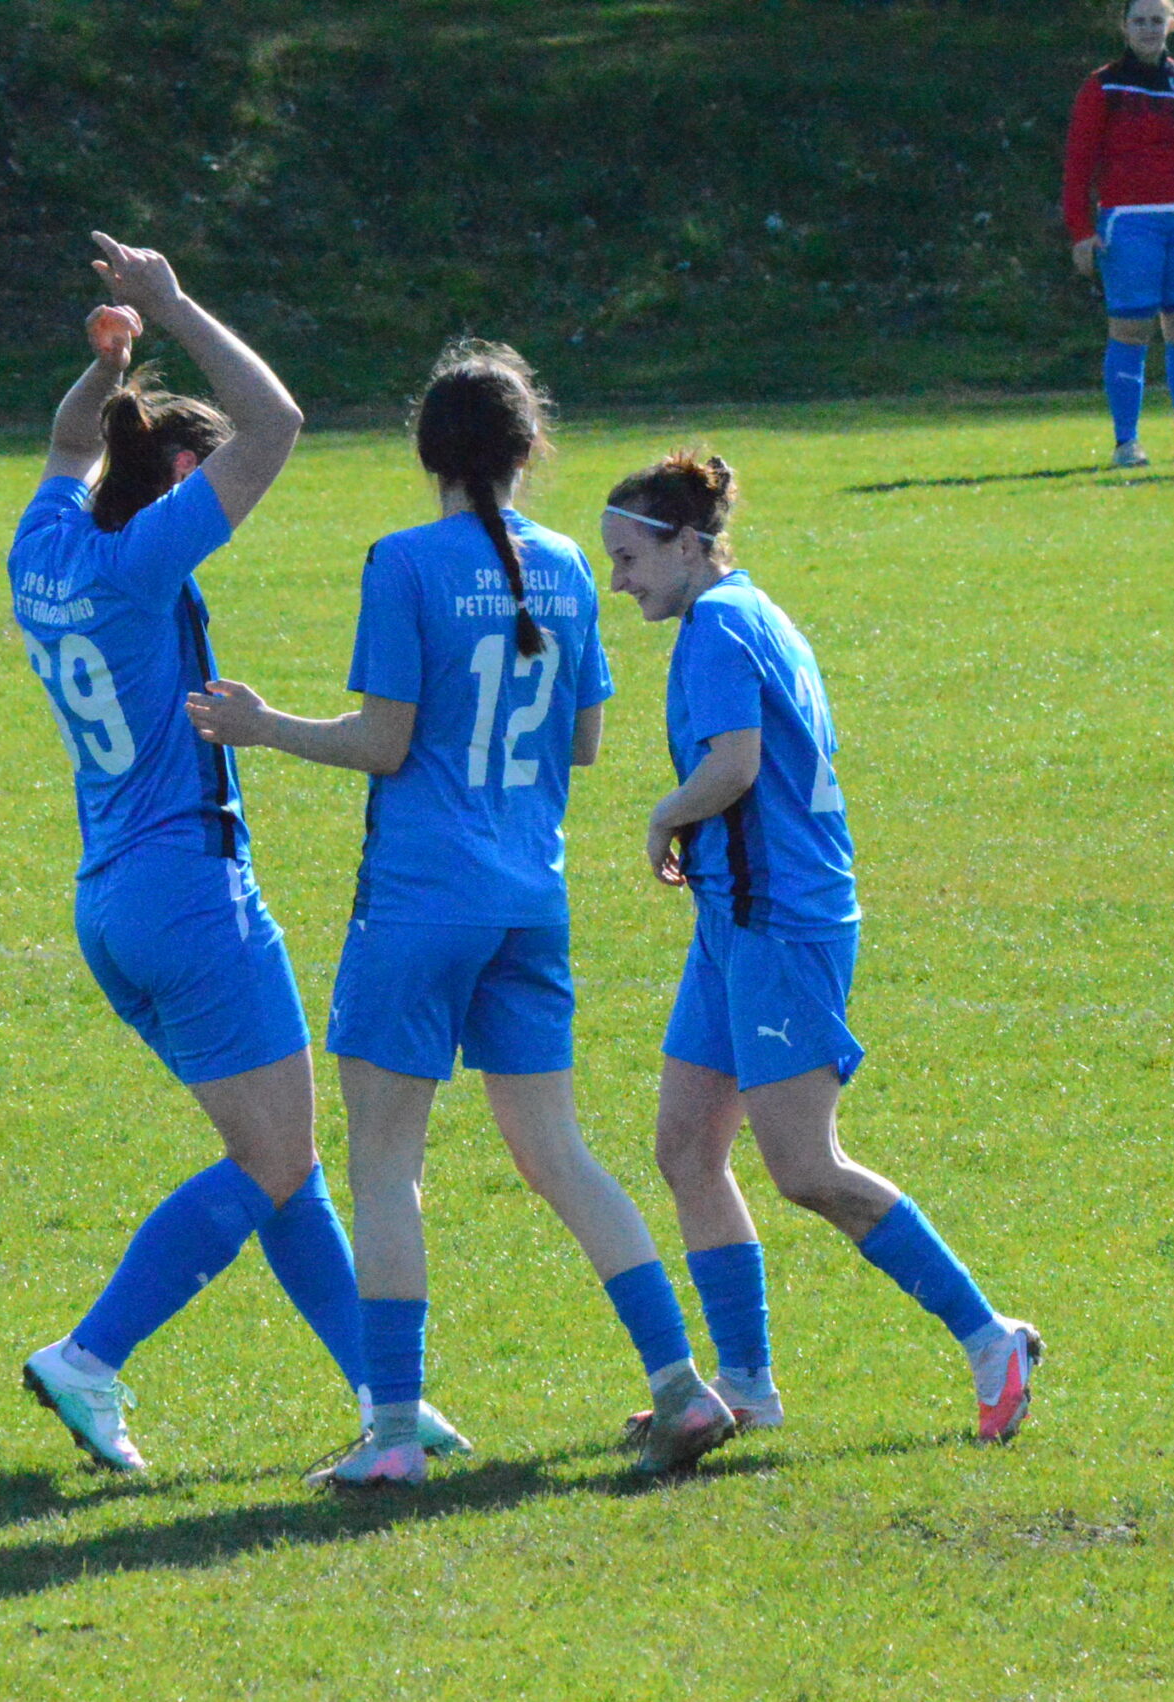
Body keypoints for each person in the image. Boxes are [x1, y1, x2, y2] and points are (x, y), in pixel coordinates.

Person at [186, 342, 735, 1486]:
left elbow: (383, 742)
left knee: (386, 1163)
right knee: (559, 1153)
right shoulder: (572, 566)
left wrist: (262, 725)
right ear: (530, 451)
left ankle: (392, 1432)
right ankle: (682, 1382)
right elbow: (582, 741)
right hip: (529, 898)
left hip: (419, 901)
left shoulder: (404, 562)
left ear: (426, 452)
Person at [9, 236, 468, 1472]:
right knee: (272, 1160)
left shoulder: (42, 547)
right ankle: (90, 1355)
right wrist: (170, 308)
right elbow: (276, 422)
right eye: (201, 482)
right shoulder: (140, 560)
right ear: (173, 476)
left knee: (281, 1162)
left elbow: (68, 443)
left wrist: (107, 366)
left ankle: (386, 1396)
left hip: (113, 901)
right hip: (192, 894)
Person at [599, 450, 1044, 1445]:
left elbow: (735, 765)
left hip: (781, 923)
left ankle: (991, 1339)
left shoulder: (718, 627)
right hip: (735, 920)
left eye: (629, 559)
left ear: (686, 545)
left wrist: (664, 814)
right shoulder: (751, 609)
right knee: (686, 1150)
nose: (618, 582)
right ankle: (745, 1385)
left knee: (804, 1166)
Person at [1062, 0, 1174, 469]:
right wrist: (1081, 230)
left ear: (1171, 26)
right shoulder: (1103, 85)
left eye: (1156, 21)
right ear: (1123, 27)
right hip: (1129, 221)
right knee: (1130, 328)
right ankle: (1127, 443)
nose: (1147, 29)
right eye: (1138, 21)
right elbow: (1078, 163)